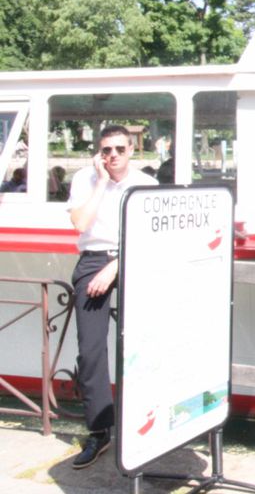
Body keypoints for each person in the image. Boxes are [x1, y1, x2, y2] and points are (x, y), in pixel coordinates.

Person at [66, 124, 157, 468]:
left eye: (120, 149)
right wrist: (102, 183)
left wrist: (115, 267)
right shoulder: (83, 180)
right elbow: (79, 223)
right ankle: (100, 430)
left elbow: (148, 237)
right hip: (93, 260)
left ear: (132, 150)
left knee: (142, 343)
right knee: (90, 350)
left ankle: (145, 421)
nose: (113, 156)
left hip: (133, 258)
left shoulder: (146, 185)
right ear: (98, 153)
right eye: (107, 150)